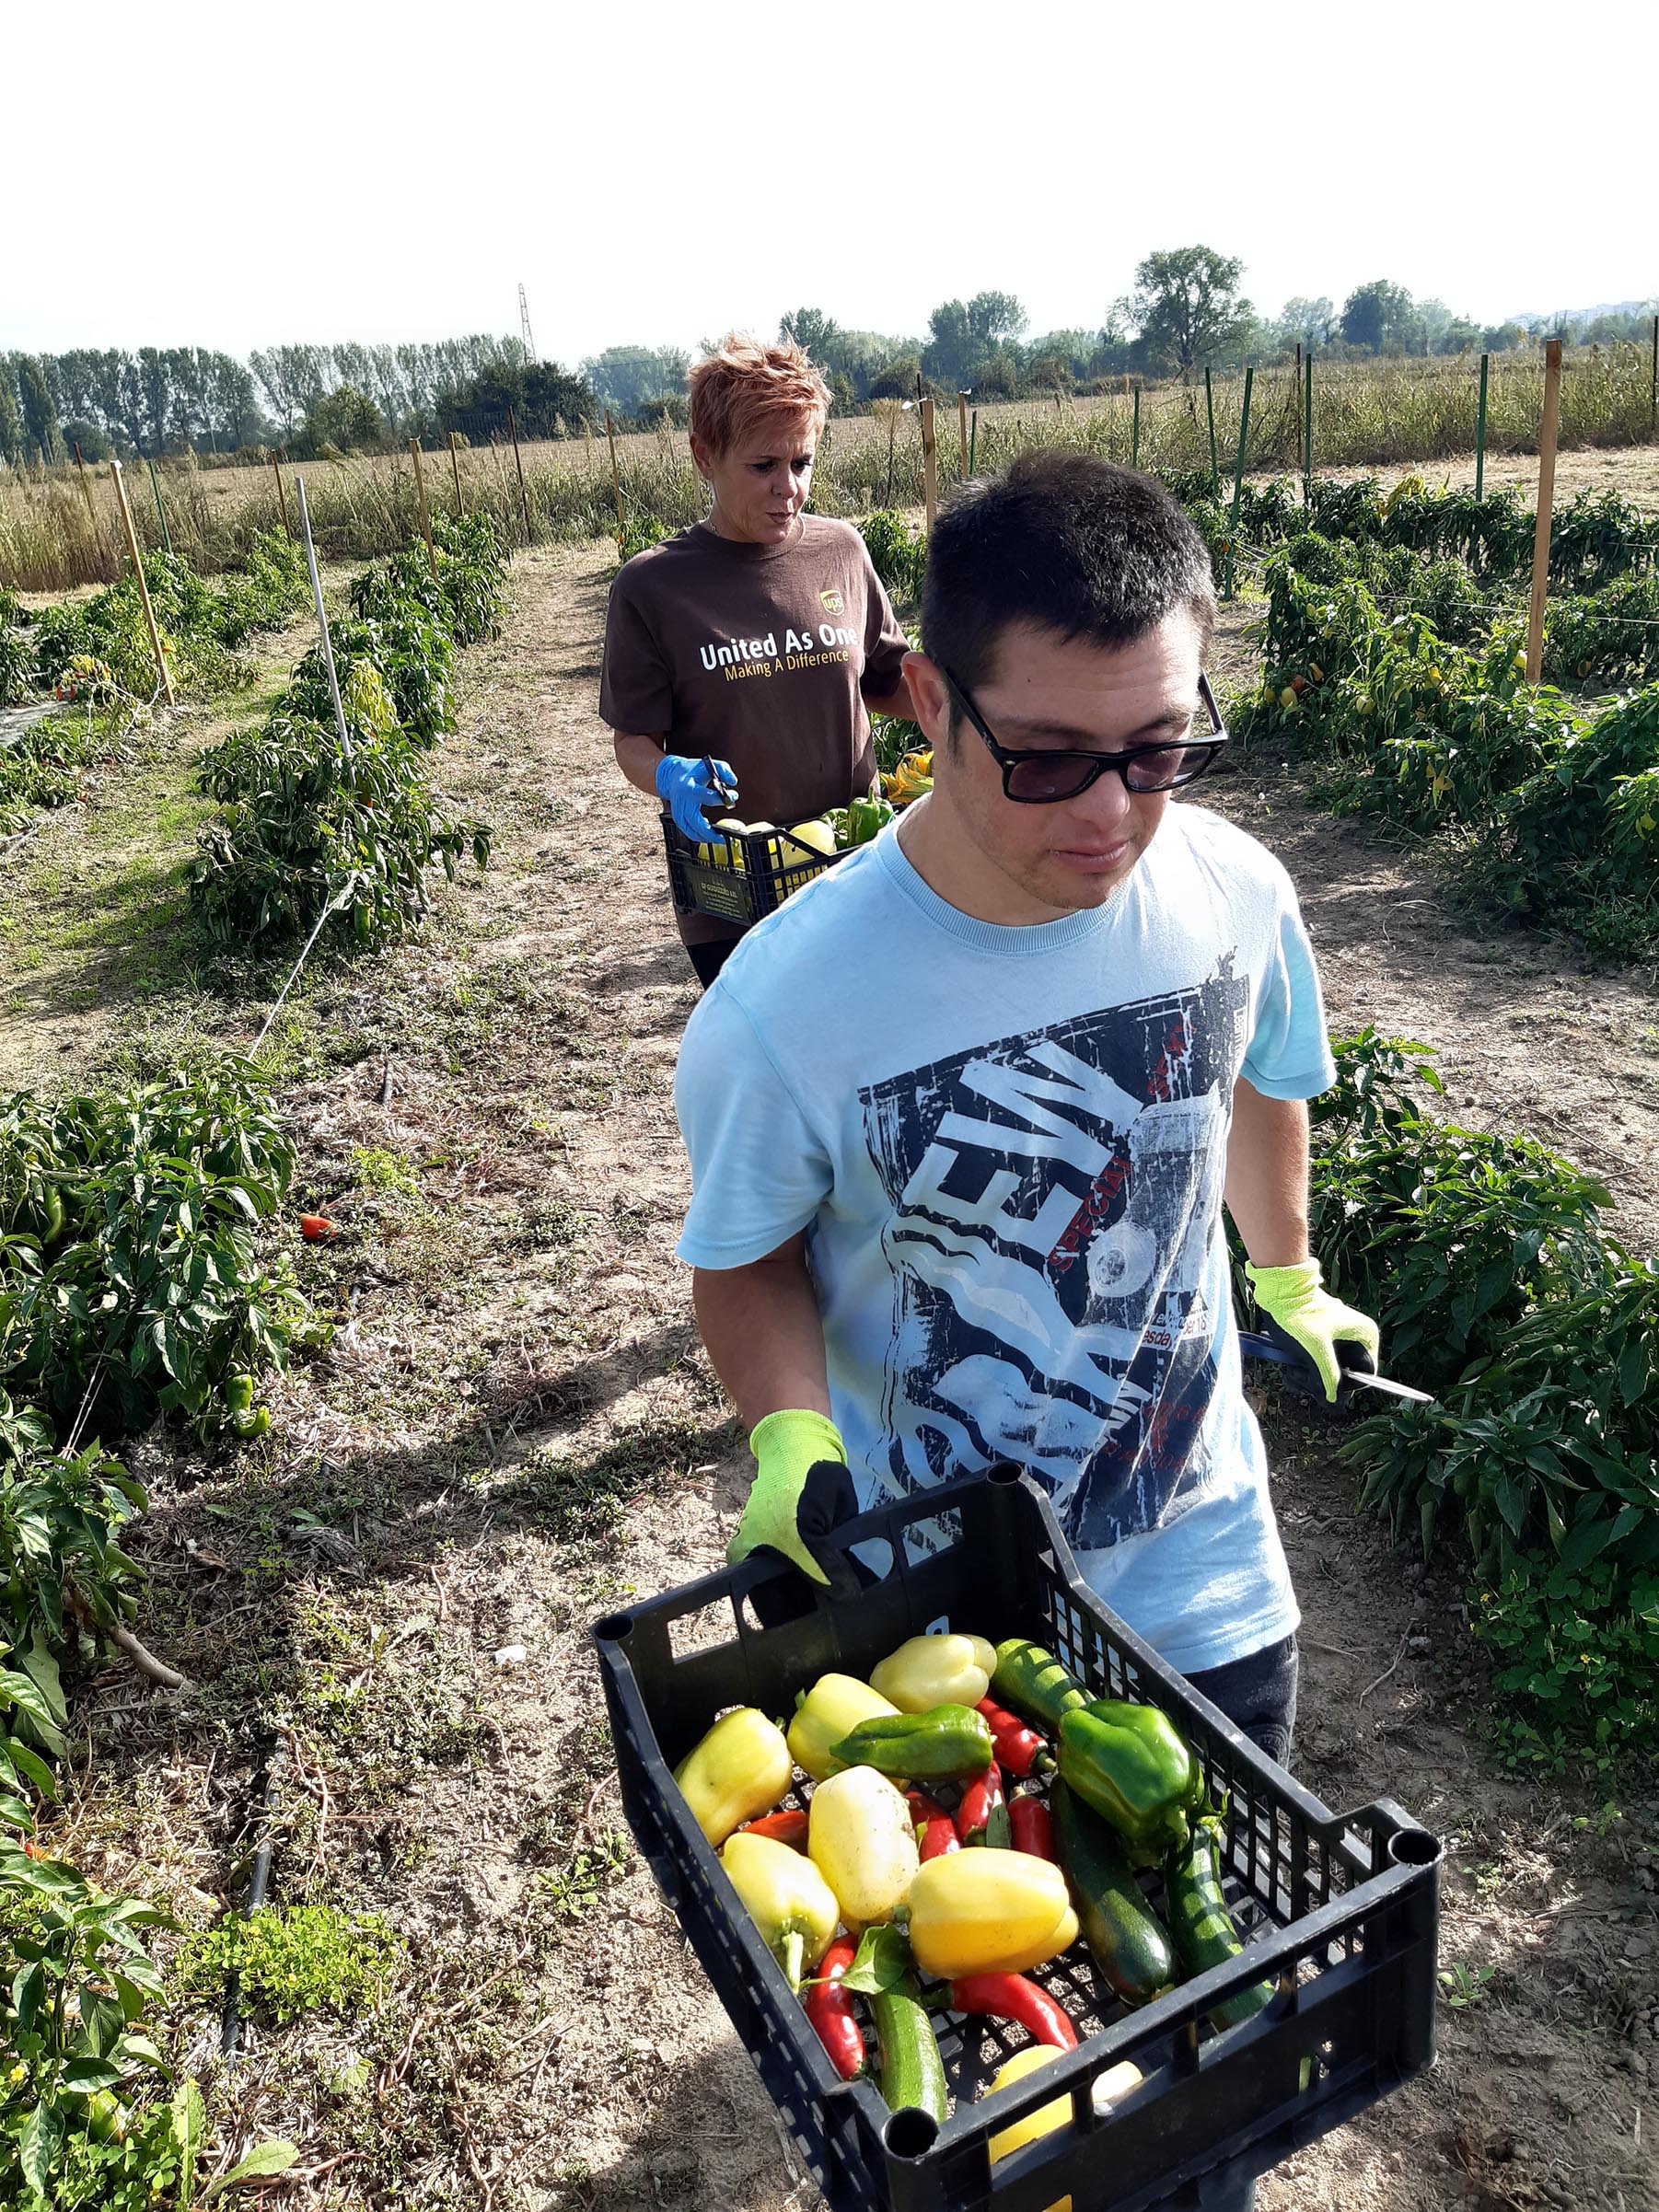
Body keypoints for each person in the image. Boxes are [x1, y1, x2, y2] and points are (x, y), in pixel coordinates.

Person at [672, 452, 1382, 2204]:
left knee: (1192, 2059)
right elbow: (743, 1255)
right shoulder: (792, 999)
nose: (1112, 812)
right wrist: (787, 1434)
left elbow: (1263, 1085)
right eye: (1049, 756)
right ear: (925, 697)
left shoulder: (1236, 890)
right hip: (949, 1623)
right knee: (998, 2079)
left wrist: (1279, 1266)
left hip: (1203, 1574)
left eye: (1157, 749)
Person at [599, 333, 914, 988]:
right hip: (733, 887)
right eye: (763, 465)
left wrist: (973, 710)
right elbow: (634, 739)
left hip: (853, 863)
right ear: (704, 456)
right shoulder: (654, 586)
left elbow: (887, 681)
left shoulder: (841, 552)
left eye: (802, 463)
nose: (788, 489)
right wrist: (668, 775)